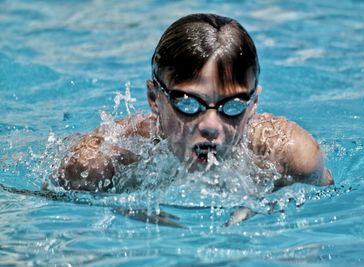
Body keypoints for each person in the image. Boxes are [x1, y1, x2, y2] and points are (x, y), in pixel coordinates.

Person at [55, 13, 333, 193]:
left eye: (233, 106)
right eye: (188, 104)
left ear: (253, 105)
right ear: (155, 99)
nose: (212, 126)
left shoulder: (292, 157)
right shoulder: (99, 163)